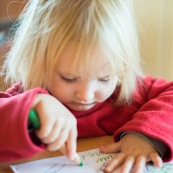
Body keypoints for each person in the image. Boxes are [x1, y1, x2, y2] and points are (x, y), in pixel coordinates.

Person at [0, 0, 173, 172]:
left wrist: (146, 137)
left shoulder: (127, 93)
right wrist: (34, 106)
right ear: (37, 62)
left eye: (104, 79)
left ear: (123, 67)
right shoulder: (26, 101)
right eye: (69, 78)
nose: (86, 95)